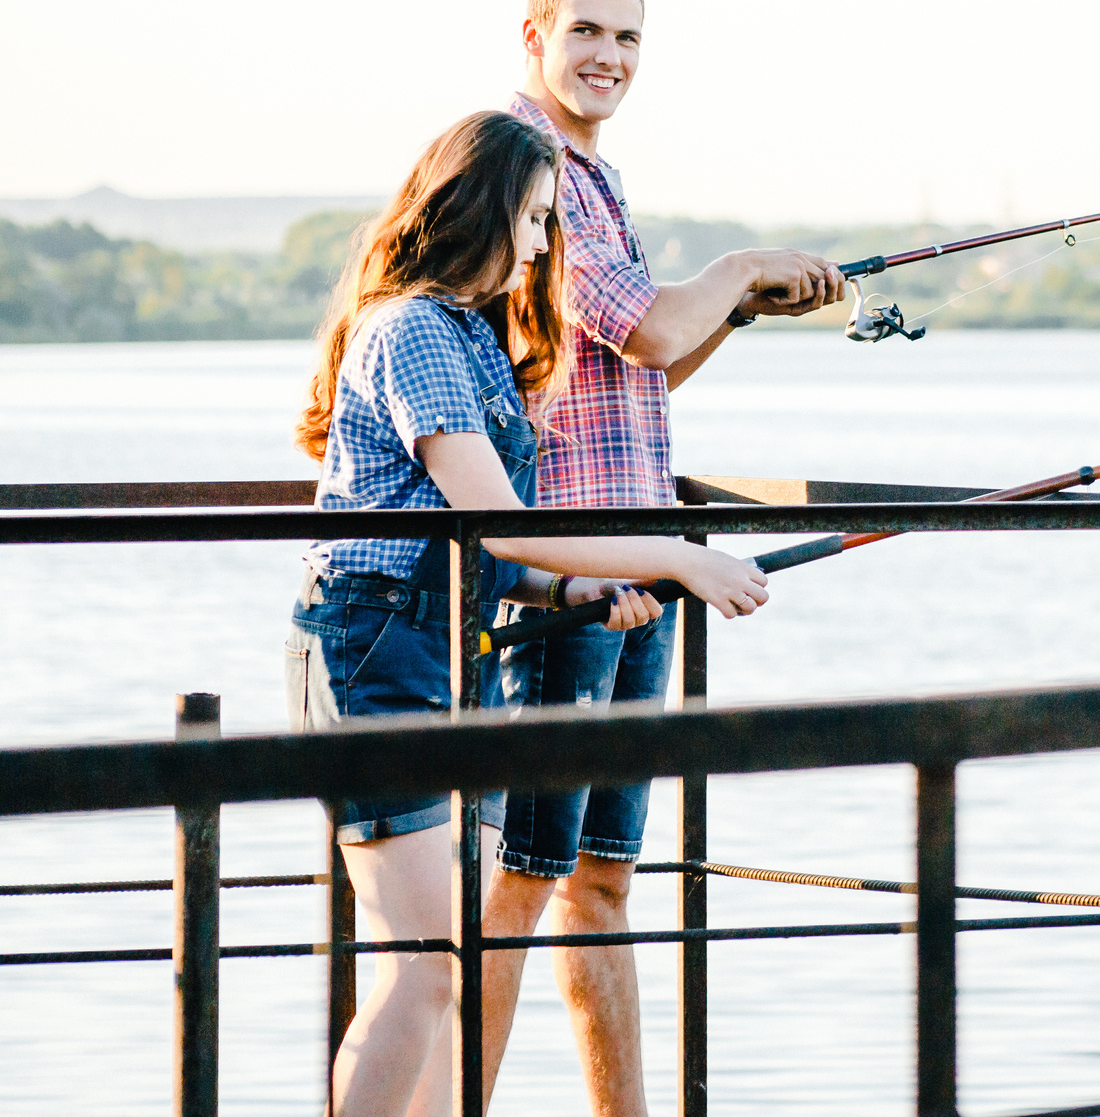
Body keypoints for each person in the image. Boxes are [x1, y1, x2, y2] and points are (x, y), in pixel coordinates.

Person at [287, 109, 776, 1117]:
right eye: (535, 219)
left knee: (445, 959)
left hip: (439, 641)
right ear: (480, 212)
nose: (546, 244)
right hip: (374, 646)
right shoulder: (413, 329)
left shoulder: (471, 333)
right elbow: (503, 520)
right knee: (425, 966)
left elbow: (485, 545)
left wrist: (571, 590)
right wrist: (680, 555)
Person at [479, 0, 846, 1115]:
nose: (609, 57)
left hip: (645, 554)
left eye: (629, 38)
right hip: (572, 572)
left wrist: (735, 310)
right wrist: (736, 268)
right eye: (586, 31)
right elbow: (643, 329)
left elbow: (646, 368)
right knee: (517, 887)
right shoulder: (524, 164)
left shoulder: (598, 176)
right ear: (533, 37)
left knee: (601, 884)